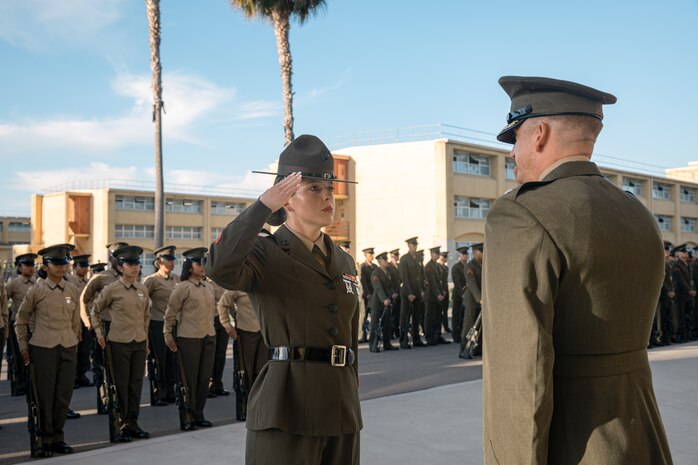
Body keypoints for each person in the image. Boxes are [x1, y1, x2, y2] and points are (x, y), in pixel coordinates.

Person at [483, 75, 672, 464]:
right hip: (642, 434)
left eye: (515, 138)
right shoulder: (637, 212)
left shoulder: (523, 212)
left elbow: (521, 372)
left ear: (538, 134)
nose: (513, 153)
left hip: (575, 443)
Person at [205, 134, 362, 465]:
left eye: (330, 189)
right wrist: (263, 206)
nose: (327, 197)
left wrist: (351, 392)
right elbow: (218, 267)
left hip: (341, 405)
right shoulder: (265, 252)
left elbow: (348, 331)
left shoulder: (344, 261)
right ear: (287, 199)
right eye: (314, 188)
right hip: (287, 405)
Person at [14, 245, 80, 457]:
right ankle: (43, 440)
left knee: (63, 395)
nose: (62, 267)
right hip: (43, 348)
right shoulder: (37, 290)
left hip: (67, 347)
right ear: (46, 265)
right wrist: (24, 346)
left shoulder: (72, 289)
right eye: (57, 264)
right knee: (44, 396)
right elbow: (21, 321)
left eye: (64, 263)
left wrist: (74, 341)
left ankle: (58, 438)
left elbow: (75, 321)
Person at [91, 245, 150, 443]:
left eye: (137, 264)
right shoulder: (112, 290)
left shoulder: (142, 289)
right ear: (120, 267)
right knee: (120, 386)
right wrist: (99, 333)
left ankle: (133, 424)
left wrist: (147, 340)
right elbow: (95, 311)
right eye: (130, 264)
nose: (135, 268)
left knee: (136, 386)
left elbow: (146, 318)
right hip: (119, 343)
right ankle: (120, 425)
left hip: (139, 342)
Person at [164, 247, 216, 428]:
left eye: (203, 263)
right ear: (189, 266)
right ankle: (187, 416)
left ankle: (199, 413)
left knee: (204, 379)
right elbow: (171, 313)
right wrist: (168, 334)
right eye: (197, 263)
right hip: (189, 338)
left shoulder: (209, 286)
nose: (201, 266)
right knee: (189, 380)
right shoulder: (182, 287)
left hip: (208, 336)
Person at [217, 288, 268, 417]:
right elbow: (222, 304)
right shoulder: (237, 286)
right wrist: (228, 326)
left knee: (261, 372)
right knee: (244, 373)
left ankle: (258, 409)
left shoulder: (262, 283)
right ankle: (243, 409)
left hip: (263, 335)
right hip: (245, 333)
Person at [142, 245, 180, 406]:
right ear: (159, 262)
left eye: (172, 260)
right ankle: (158, 394)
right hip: (157, 323)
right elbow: (142, 302)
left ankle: (171, 392)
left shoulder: (177, 279)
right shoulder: (151, 280)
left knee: (173, 360)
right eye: (168, 260)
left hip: (174, 324)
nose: (171, 263)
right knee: (159, 360)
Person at [5, 252, 37, 396]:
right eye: (27, 265)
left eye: (32, 265)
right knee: (18, 355)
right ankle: (20, 384)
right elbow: (3, 300)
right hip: (18, 325)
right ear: (19, 267)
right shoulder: (14, 283)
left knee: (33, 355)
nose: (30, 268)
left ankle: (31, 382)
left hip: (34, 325)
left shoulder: (37, 282)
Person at [70, 254, 93, 388]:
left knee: (85, 348)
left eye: (86, 266)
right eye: (82, 266)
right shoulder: (69, 281)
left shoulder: (88, 281)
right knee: (74, 348)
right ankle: (72, 376)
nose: (85, 269)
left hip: (86, 319)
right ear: (75, 266)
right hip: (74, 319)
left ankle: (81, 375)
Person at [368, 252, 398, 352]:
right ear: (380, 262)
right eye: (385, 260)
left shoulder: (388, 272)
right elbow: (378, 288)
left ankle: (387, 343)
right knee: (375, 324)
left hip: (387, 301)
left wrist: (393, 293)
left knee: (386, 323)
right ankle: (373, 344)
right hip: (378, 302)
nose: (387, 261)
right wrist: (384, 299)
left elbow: (389, 286)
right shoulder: (375, 273)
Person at [398, 238, 425, 348]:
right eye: (413, 245)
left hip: (417, 292)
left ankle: (416, 339)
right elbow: (404, 277)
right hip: (407, 293)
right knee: (405, 317)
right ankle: (403, 340)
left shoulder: (418, 258)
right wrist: (409, 293)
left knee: (416, 317)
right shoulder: (404, 259)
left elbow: (422, 276)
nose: (415, 247)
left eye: (416, 245)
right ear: (409, 246)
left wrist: (422, 290)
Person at [460, 243, 483, 358]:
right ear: (474, 252)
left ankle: (477, 347)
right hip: (472, 300)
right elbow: (472, 283)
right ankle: (464, 349)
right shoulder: (470, 266)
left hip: (482, 300)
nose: (483, 253)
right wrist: (480, 298)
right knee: (469, 325)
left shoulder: (484, 264)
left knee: (480, 327)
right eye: (481, 251)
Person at [208, 277, 229, 397]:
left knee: (221, 353)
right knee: (211, 353)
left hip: (223, 320)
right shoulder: (206, 283)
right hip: (211, 319)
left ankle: (218, 384)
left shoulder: (224, 281)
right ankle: (209, 385)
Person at [424, 246, 446, 346]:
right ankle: (429, 337)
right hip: (431, 296)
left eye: (438, 253)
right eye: (436, 253)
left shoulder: (437, 266)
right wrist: (438, 294)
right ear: (432, 254)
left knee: (438, 317)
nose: (437, 255)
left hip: (438, 295)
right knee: (430, 317)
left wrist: (442, 292)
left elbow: (440, 282)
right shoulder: (429, 266)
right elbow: (432, 282)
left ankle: (437, 335)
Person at [450, 246, 468, 344]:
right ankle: (455, 335)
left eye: (466, 254)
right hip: (458, 296)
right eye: (463, 254)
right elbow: (457, 282)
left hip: (467, 296)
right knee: (456, 316)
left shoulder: (468, 266)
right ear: (459, 255)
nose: (465, 256)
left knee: (464, 317)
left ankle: (462, 334)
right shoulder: (456, 267)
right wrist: (462, 293)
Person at [359, 247, 377, 343]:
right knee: (364, 315)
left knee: (374, 315)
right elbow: (363, 281)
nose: (372, 256)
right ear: (366, 255)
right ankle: (362, 335)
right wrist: (367, 293)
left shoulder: (375, 266)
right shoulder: (362, 266)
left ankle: (374, 335)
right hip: (366, 295)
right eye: (370, 255)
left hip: (374, 294)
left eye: (373, 254)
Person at [387, 249, 401, 339]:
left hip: (399, 293)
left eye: (397, 255)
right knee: (391, 315)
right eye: (395, 256)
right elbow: (388, 282)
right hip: (392, 294)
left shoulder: (399, 266)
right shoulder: (388, 267)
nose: (397, 257)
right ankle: (391, 332)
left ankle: (397, 331)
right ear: (392, 256)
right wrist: (392, 293)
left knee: (397, 314)